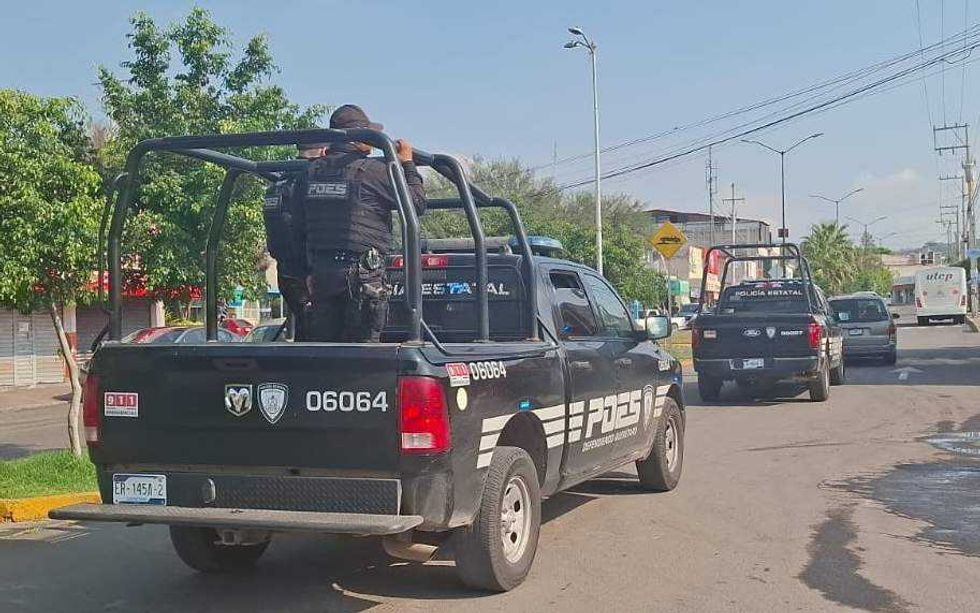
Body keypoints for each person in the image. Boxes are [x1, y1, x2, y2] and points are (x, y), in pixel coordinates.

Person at [302, 104, 426, 342]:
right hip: (363, 276)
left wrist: (306, 271)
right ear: (358, 137)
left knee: (323, 352)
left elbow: (297, 224)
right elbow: (417, 203)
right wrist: (407, 164)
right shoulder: (375, 171)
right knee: (364, 357)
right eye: (368, 135)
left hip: (321, 275)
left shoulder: (309, 173)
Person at [262, 142, 325, 341]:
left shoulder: (278, 183)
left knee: (304, 330)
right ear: (324, 152)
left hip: (286, 271)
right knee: (319, 335)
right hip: (308, 271)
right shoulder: (310, 180)